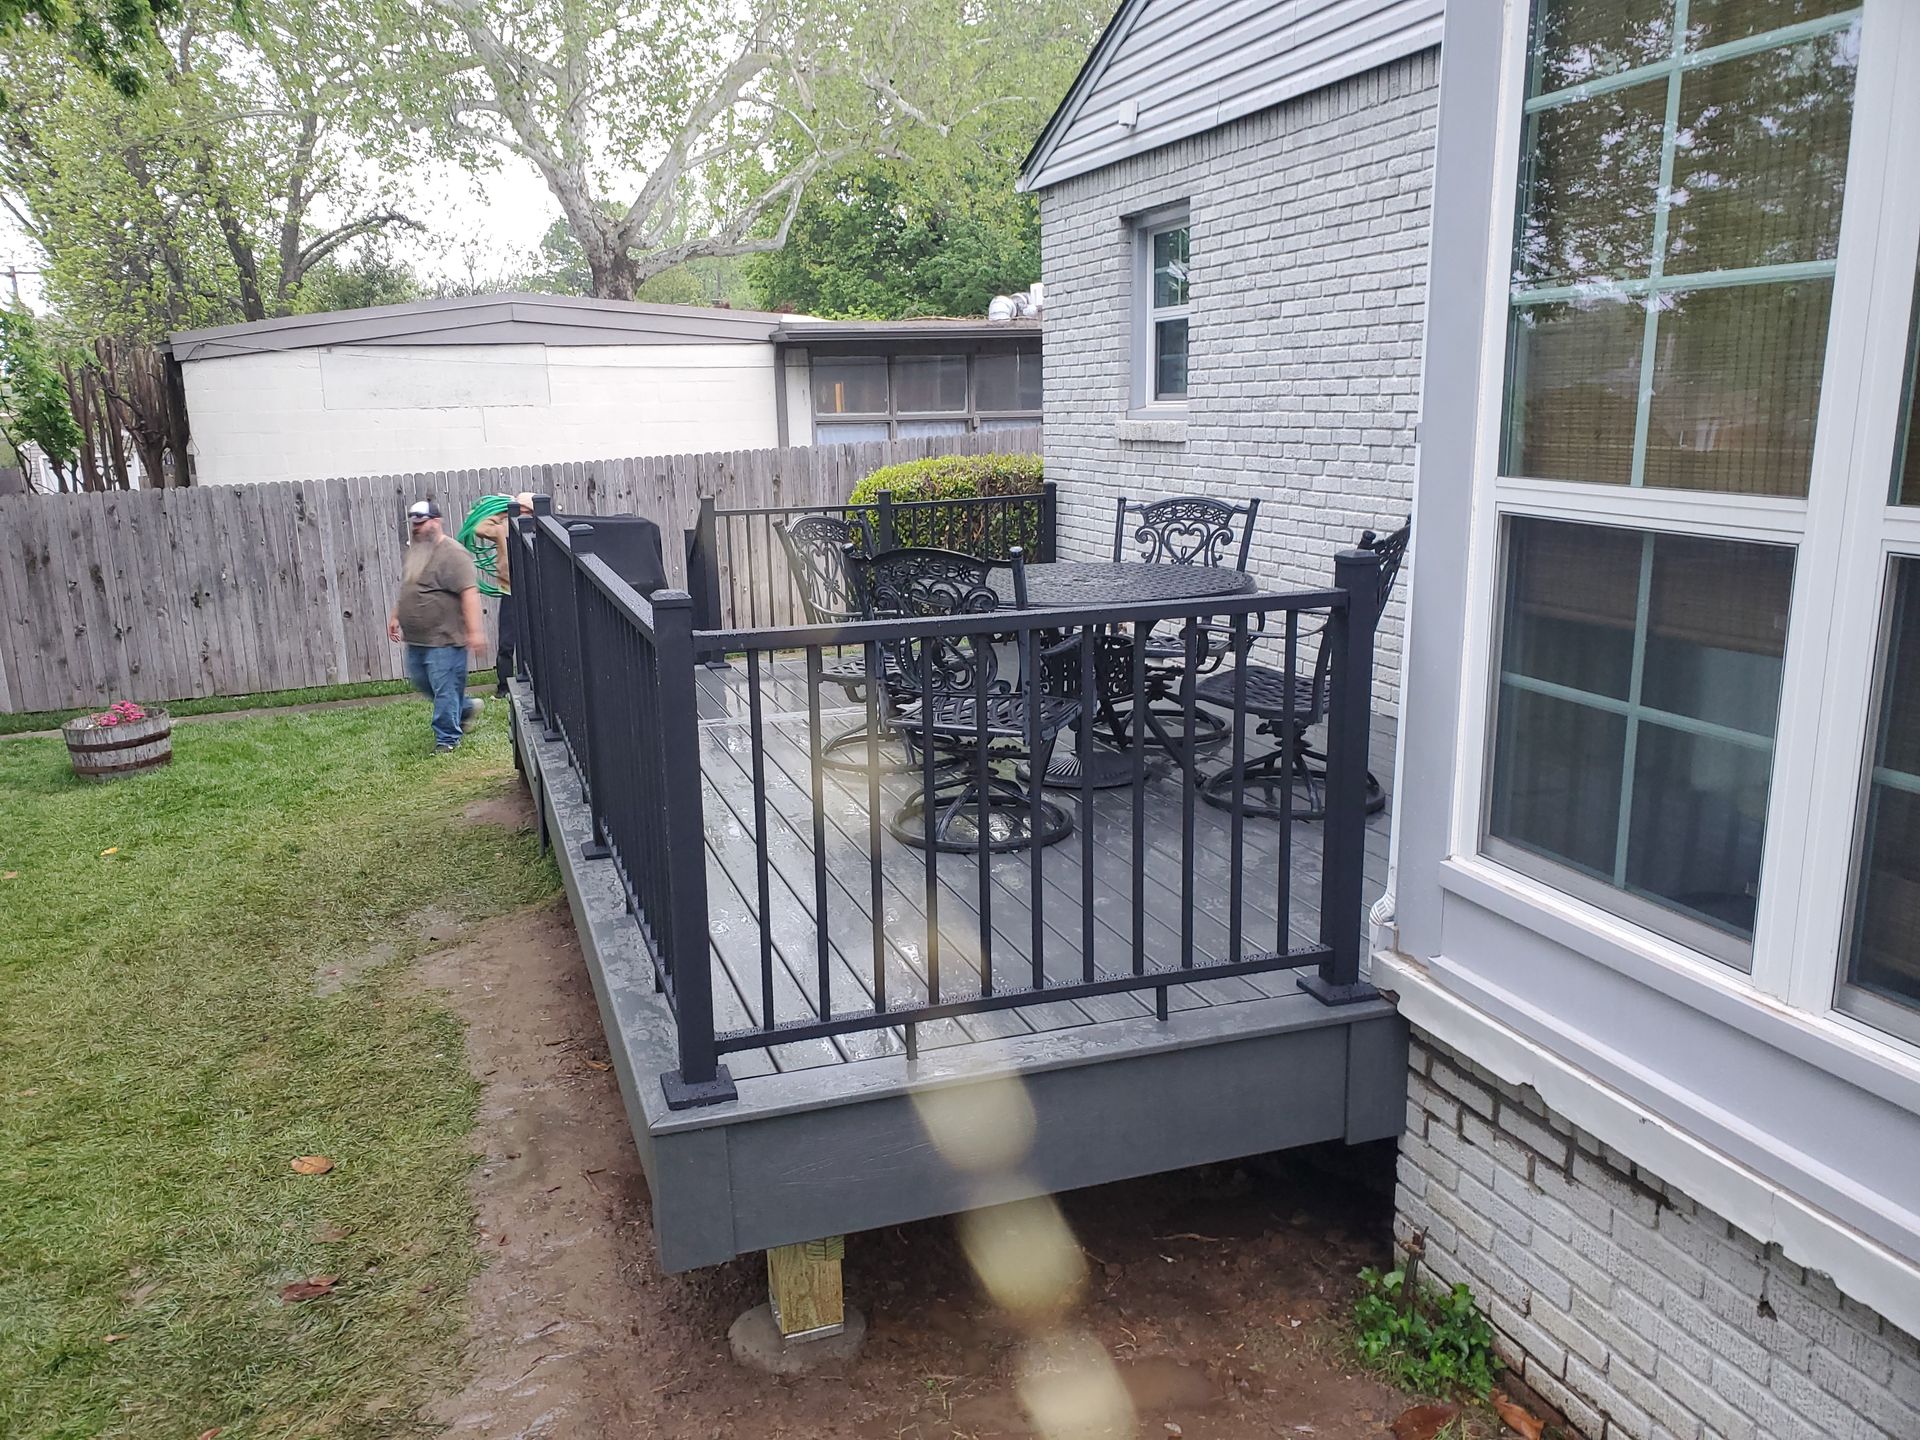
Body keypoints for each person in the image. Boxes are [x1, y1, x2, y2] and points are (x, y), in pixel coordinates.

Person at [389, 498, 487, 752]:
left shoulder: (454, 555)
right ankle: (465, 708)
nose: (417, 528)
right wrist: (396, 615)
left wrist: (475, 632)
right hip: (417, 639)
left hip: (445, 640)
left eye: (421, 523)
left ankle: (447, 740)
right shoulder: (417, 552)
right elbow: (410, 587)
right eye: (414, 523)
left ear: (436, 522)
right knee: (424, 682)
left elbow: (469, 593)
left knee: (444, 690)